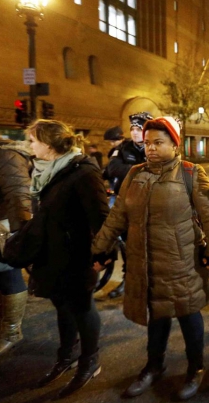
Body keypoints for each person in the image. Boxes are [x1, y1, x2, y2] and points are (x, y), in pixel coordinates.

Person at [91, 117, 209, 400]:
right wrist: (99, 248)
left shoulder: (190, 172)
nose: (151, 148)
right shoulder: (135, 173)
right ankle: (154, 365)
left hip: (182, 263)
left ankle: (196, 368)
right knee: (156, 316)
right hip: (145, 262)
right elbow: (118, 216)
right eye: (148, 142)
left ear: (175, 145)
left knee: (189, 315)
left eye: (158, 143)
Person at [23, 120, 109, 398]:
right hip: (51, 253)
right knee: (62, 306)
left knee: (82, 308)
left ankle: (90, 361)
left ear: (49, 144)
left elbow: (101, 218)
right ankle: (66, 357)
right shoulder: (43, 170)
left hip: (77, 256)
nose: (29, 146)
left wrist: (102, 255)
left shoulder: (83, 172)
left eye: (33, 141)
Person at [102, 112, 152, 298]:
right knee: (126, 244)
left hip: (150, 205)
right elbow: (113, 168)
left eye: (139, 128)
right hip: (125, 202)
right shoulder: (123, 148)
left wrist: (131, 172)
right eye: (132, 128)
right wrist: (140, 170)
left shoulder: (155, 147)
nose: (135, 132)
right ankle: (127, 279)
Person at [0, 138, 32, 356]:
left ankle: (12, 331)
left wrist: (19, 236)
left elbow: (19, 198)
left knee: (8, 274)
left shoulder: (7, 157)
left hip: (3, 227)